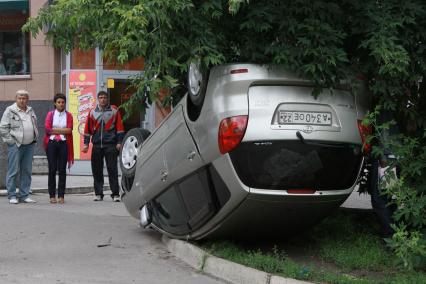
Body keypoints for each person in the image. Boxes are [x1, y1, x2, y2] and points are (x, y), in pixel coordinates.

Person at [82, 91, 125, 202]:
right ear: (98, 99)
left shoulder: (114, 111)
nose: (102, 99)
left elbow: (120, 128)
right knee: (97, 171)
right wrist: (86, 144)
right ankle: (98, 194)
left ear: (108, 99)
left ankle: (115, 194)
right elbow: (87, 129)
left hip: (110, 145)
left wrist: (119, 142)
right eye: (100, 97)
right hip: (96, 145)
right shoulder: (92, 112)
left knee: (112, 170)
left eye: (104, 97)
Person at [0, 90, 38, 204]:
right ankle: (12, 195)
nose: (22, 100)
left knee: (26, 171)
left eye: (24, 98)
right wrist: (11, 142)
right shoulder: (10, 110)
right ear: (16, 99)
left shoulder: (30, 110)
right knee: (13, 170)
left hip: (29, 145)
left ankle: (24, 195)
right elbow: (3, 128)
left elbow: (34, 124)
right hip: (16, 145)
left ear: (27, 99)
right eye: (19, 98)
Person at [44, 93, 74, 204]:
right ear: (55, 103)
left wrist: (55, 129)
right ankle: (52, 195)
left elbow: (69, 130)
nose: (61, 104)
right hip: (51, 143)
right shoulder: (50, 114)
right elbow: (47, 130)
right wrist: (62, 130)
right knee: (52, 169)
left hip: (63, 144)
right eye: (59, 102)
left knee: (62, 170)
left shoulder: (69, 115)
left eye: (63, 102)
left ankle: (61, 195)